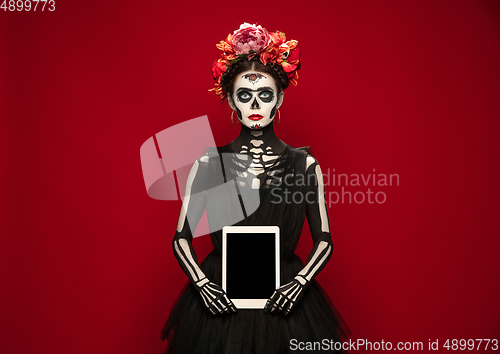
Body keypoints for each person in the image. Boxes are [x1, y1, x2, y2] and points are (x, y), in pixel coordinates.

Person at [160, 23, 351, 353]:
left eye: (265, 94)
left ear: (279, 97)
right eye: (244, 95)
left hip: (284, 295)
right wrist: (203, 284)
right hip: (220, 294)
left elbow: (325, 240)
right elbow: (181, 238)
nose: (255, 104)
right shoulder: (208, 165)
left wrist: (300, 283)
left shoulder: (304, 165)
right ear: (232, 102)